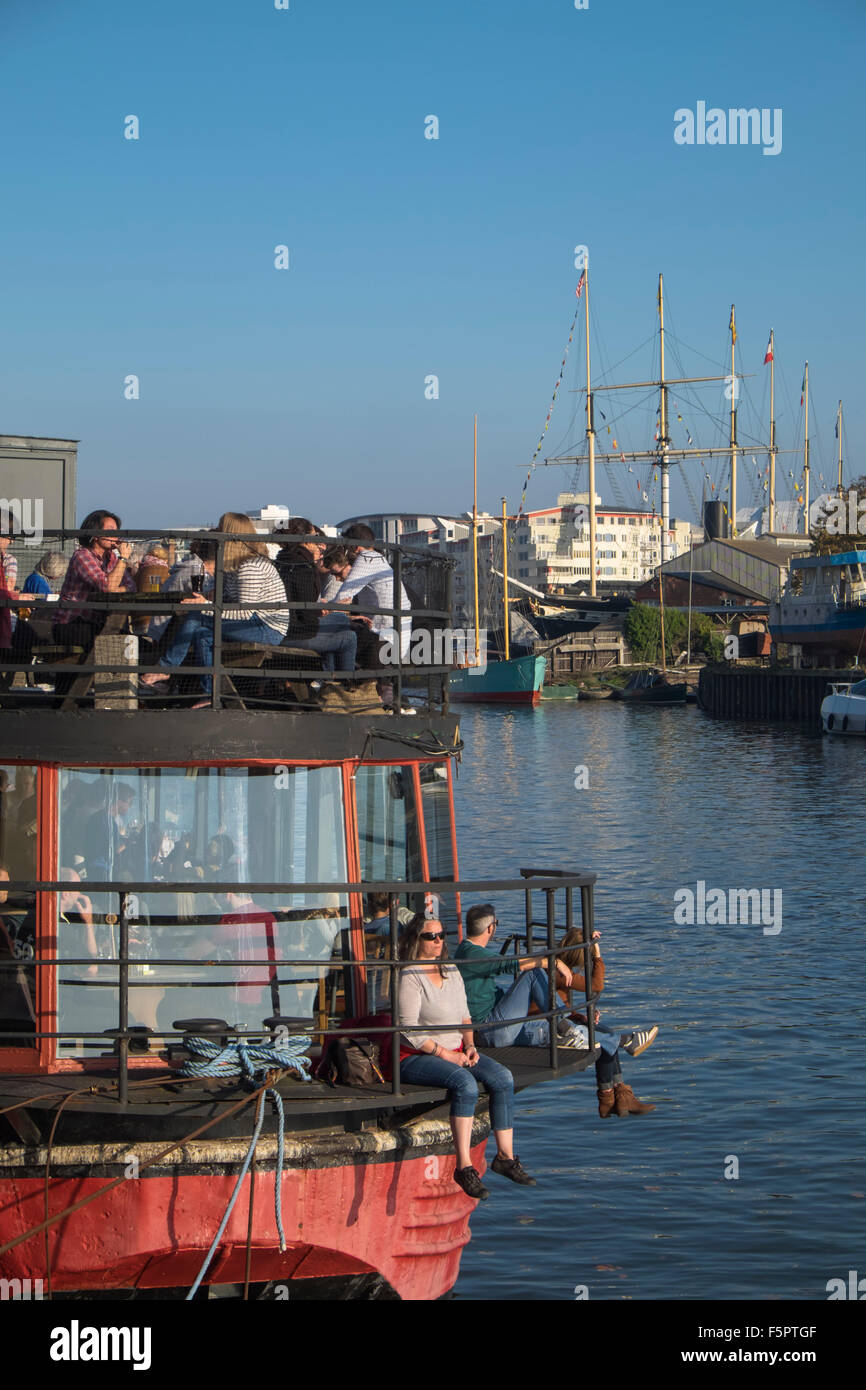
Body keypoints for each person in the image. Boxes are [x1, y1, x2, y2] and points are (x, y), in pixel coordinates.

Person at [398, 914, 535, 1200]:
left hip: (457, 1050)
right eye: (430, 936)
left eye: (441, 935)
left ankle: (505, 1158)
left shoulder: (450, 968)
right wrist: (446, 1054)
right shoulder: (410, 975)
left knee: (502, 1077)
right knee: (465, 1084)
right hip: (416, 1055)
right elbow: (409, 1030)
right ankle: (464, 1166)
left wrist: (470, 1045)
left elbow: (464, 1016)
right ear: (416, 940)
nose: (438, 941)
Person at [142, 513, 289, 699]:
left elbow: (244, 613)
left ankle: (165, 669)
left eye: (221, 528)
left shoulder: (251, 566)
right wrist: (211, 599)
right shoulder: (232, 566)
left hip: (266, 627)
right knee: (202, 635)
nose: (217, 532)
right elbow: (228, 600)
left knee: (196, 616)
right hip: (251, 622)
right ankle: (209, 694)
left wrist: (205, 605)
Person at [556, 927, 658, 1117]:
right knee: (604, 1039)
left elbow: (558, 1004)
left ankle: (616, 1096)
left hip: (558, 1019)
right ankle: (627, 1044)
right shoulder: (560, 973)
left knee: (605, 1033)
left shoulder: (559, 965)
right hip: (547, 1027)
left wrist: (580, 1017)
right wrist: (598, 955)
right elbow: (597, 985)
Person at [454, 902, 578, 1048]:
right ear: (490, 928)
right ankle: (563, 1024)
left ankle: (568, 1031)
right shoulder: (474, 954)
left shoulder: (464, 950)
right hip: (492, 1029)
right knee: (533, 973)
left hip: (491, 1031)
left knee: (558, 1031)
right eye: (496, 923)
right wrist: (553, 962)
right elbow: (514, 964)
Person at [274, 518, 357, 673]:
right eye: (315, 536)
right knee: (349, 638)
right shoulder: (303, 567)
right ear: (306, 541)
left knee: (340, 620)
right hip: (295, 633)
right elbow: (307, 616)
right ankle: (344, 685)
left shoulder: (282, 560)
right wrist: (321, 611)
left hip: (284, 627)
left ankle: (328, 676)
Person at [53, 509, 137, 650]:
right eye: (110, 530)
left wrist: (114, 588)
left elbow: (131, 587)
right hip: (70, 625)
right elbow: (107, 586)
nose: (115, 536)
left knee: (130, 642)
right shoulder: (82, 556)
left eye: (117, 531)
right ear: (95, 534)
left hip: (95, 624)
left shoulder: (112, 559)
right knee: (116, 643)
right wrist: (123, 559)